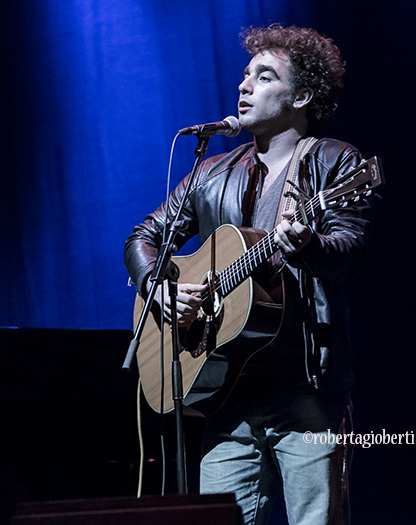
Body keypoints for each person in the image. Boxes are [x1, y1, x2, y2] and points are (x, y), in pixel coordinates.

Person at [125, 24, 373, 525]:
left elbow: (349, 252)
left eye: (263, 77)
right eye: (244, 76)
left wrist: (307, 245)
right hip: (227, 394)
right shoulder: (211, 171)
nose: (243, 86)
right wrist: (161, 286)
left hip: (307, 391)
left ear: (301, 95)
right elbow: (142, 239)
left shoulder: (333, 163)